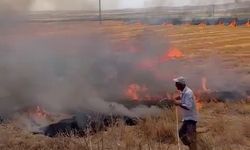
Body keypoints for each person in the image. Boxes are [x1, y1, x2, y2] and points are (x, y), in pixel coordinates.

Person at [170, 76, 198, 150]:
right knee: (181, 133)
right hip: (186, 118)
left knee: (190, 137)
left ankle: (193, 146)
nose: (175, 85)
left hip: (191, 119)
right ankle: (191, 146)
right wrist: (177, 98)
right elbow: (182, 96)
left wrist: (178, 103)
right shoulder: (184, 91)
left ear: (181, 84)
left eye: (176, 84)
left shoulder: (188, 92)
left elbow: (188, 107)